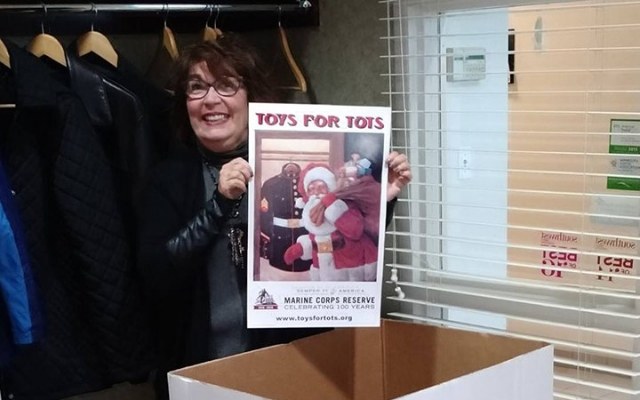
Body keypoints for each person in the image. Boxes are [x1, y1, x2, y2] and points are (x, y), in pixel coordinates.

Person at [135, 34, 412, 399]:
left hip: (290, 366)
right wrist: (217, 206)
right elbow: (156, 275)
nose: (211, 99)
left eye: (227, 85)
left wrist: (381, 199)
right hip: (201, 370)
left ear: (250, 97)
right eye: (196, 88)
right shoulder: (167, 178)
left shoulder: (284, 165)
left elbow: (346, 235)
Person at [283, 163, 378, 281]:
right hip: (323, 270)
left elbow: (355, 231)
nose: (316, 192)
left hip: (349, 267)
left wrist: (331, 204)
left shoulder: (345, 205)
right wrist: (302, 247)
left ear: (330, 187)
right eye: (311, 189)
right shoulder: (313, 211)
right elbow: (318, 238)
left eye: (321, 187)